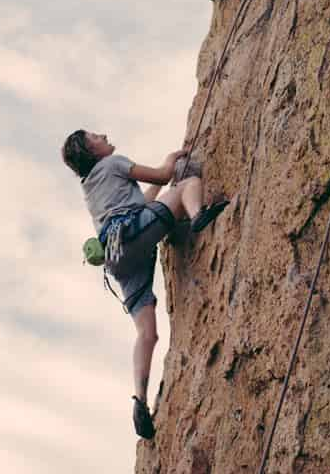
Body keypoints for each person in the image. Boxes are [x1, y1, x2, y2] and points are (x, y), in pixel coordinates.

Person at [61, 129, 229, 440]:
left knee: (147, 333)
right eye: (95, 136)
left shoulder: (91, 186)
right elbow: (166, 176)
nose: (104, 134)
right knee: (188, 184)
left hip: (117, 256)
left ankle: (139, 399)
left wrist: (160, 188)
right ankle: (198, 217)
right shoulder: (113, 164)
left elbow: (143, 206)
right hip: (131, 237)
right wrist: (172, 160)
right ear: (92, 151)